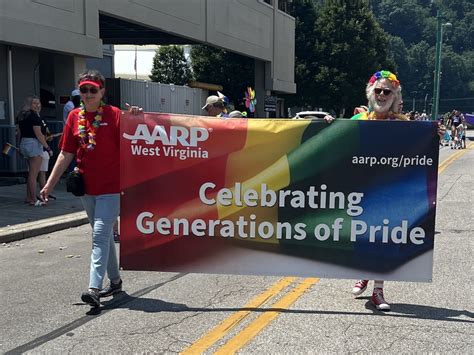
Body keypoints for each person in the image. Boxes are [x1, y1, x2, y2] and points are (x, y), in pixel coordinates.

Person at [40, 70, 126, 307]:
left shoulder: (114, 115)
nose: (88, 95)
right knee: (105, 235)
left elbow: (136, 142)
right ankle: (116, 282)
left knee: (99, 234)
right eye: (84, 90)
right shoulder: (74, 117)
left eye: (92, 90)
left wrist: (136, 117)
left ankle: (94, 288)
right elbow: (66, 154)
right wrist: (49, 183)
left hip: (111, 187)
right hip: (86, 188)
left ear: (102, 92)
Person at [350, 70, 408, 311]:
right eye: (378, 90)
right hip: (361, 192)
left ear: (394, 96)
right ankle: (365, 274)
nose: (382, 95)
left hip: (389, 193)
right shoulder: (357, 122)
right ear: (370, 93)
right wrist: (327, 126)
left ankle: (378, 290)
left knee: (384, 239)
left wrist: (433, 136)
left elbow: (420, 149)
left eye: (387, 91)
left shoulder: (404, 125)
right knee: (364, 237)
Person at [16, 95, 53, 206]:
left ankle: (28, 197)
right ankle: (33, 199)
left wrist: (19, 146)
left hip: (24, 143)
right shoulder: (34, 117)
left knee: (30, 173)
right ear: (29, 104)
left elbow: (19, 133)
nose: (37, 105)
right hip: (33, 144)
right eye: (34, 103)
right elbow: (39, 134)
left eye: (38, 103)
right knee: (33, 174)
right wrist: (47, 147)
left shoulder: (21, 115)